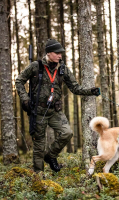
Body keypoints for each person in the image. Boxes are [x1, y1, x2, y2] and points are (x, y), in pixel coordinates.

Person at [15, 39, 100, 173]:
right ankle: (39, 176)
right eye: (57, 53)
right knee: (39, 146)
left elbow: (75, 88)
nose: (60, 55)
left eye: (61, 53)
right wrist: (25, 99)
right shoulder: (35, 66)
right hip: (38, 112)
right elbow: (19, 81)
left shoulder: (63, 69)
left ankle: (50, 156)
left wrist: (91, 91)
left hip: (55, 111)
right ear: (49, 53)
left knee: (67, 133)